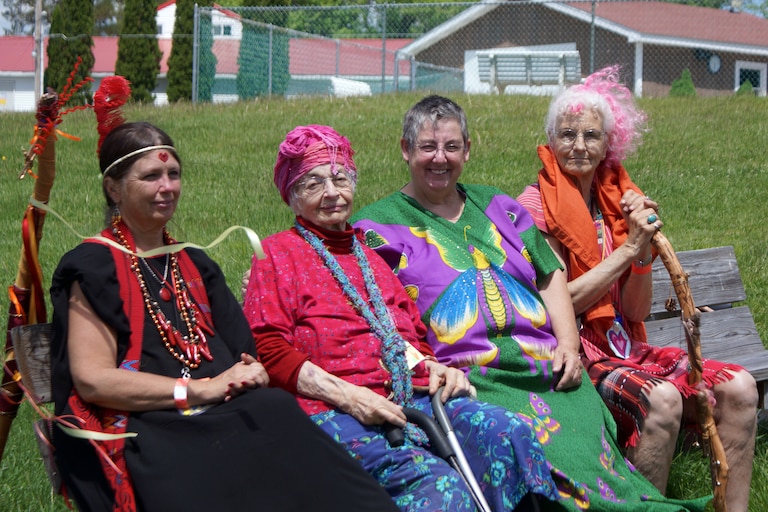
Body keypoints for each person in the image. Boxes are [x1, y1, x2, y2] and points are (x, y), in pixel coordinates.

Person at [353, 95, 709, 511]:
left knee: (584, 431)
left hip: (545, 368)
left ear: (467, 149)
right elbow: (375, 317)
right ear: (405, 149)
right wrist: (426, 368)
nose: (440, 158)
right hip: (471, 377)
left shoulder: (496, 206)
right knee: (535, 442)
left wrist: (569, 346)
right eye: (427, 147)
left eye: (451, 147)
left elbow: (548, 271)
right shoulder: (377, 227)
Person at [49, 117, 402, 512]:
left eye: (173, 173)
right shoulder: (93, 267)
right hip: (146, 424)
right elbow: (93, 381)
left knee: (277, 411)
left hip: (221, 411)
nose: (167, 187)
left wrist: (248, 372)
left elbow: (244, 355)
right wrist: (200, 390)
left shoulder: (195, 264)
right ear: (113, 187)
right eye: (151, 176)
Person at [243, 124, 563, 512]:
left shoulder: (370, 254)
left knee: (508, 434)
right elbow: (267, 347)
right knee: (437, 486)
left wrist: (432, 366)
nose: (331, 192)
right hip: (334, 412)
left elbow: (409, 334)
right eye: (312, 183)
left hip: (414, 398)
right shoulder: (277, 255)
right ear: (292, 197)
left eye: (340, 177)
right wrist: (348, 395)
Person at [514, 66, 757, 511]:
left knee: (740, 386)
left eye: (591, 134)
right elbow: (558, 303)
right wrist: (629, 248)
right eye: (567, 134)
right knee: (660, 399)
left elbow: (636, 310)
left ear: (610, 143)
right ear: (550, 140)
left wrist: (641, 250)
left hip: (623, 346)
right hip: (571, 354)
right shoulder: (534, 207)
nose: (580, 145)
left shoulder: (614, 201)